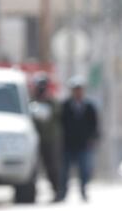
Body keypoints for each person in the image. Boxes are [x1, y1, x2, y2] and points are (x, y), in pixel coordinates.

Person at [59, 77, 99, 201]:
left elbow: (95, 125)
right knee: (65, 171)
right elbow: (60, 124)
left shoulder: (89, 106)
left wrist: (93, 139)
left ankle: (83, 191)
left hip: (84, 144)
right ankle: (63, 193)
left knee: (84, 170)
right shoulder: (65, 106)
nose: (77, 92)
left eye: (79, 89)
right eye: (75, 89)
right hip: (68, 144)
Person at [29, 72, 63, 201]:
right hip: (34, 140)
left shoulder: (52, 102)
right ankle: (30, 194)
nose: (41, 89)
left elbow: (55, 116)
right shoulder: (31, 101)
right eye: (39, 86)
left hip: (50, 140)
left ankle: (57, 192)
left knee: (52, 167)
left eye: (42, 86)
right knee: (33, 168)